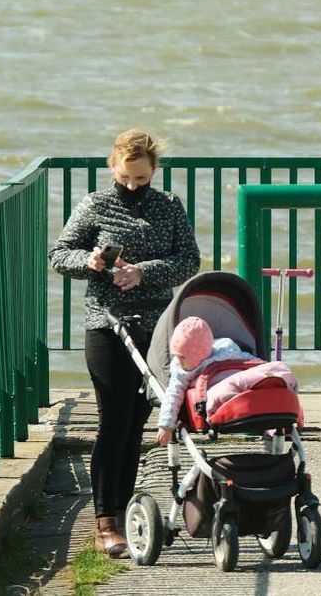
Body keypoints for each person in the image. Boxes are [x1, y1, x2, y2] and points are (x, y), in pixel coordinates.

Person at [48, 130, 200, 557]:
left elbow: (188, 261)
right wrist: (91, 261)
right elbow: (60, 255)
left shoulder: (169, 206)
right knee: (112, 419)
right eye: (126, 178)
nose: (133, 187)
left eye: (142, 179)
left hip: (157, 325)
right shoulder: (95, 205)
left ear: (154, 171)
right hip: (106, 323)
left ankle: (125, 509)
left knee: (135, 422)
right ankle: (105, 521)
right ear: (112, 167)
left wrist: (143, 272)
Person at [156, 316, 249, 445]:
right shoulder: (181, 371)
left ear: (198, 355)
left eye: (182, 357)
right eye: (175, 356)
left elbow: (248, 362)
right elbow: (173, 395)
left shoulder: (228, 354)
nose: (177, 361)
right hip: (215, 402)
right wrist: (166, 425)